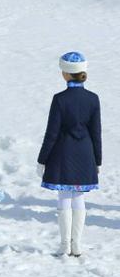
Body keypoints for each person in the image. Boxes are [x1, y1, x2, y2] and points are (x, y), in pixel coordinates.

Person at [36, 52, 101, 257]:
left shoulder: (59, 99)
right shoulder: (93, 99)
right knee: (79, 197)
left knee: (64, 197)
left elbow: (52, 133)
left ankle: (65, 245)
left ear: (65, 73)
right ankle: (77, 245)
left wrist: (42, 159)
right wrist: (98, 160)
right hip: (86, 154)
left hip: (63, 154)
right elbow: (96, 132)